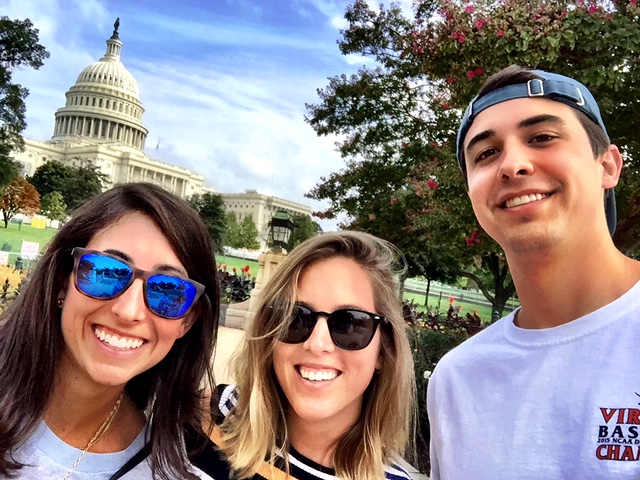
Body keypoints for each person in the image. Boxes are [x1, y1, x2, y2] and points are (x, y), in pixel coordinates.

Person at [427, 65, 640, 479]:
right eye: (486, 153)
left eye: (542, 137)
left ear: (608, 166)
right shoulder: (457, 380)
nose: (513, 165)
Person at [0, 183, 225, 479]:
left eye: (168, 290)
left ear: (188, 321)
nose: (128, 311)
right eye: (106, 272)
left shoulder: (164, 472)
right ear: (61, 283)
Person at [211, 231, 416, 480]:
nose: (317, 344)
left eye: (350, 323)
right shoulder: (209, 421)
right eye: (295, 317)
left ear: (383, 351)